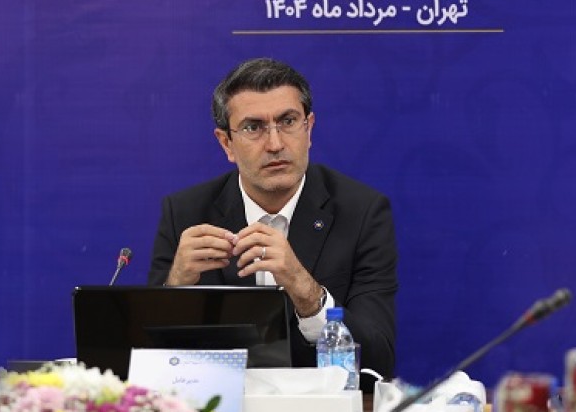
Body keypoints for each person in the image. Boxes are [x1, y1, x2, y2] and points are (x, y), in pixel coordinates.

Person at [147, 58, 398, 384]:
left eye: (288, 121)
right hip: (221, 406)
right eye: (253, 127)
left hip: (319, 408)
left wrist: (306, 291)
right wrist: (176, 288)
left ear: (309, 129)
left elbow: (378, 362)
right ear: (226, 143)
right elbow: (146, 365)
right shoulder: (185, 213)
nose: (276, 144)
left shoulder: (362, 212)